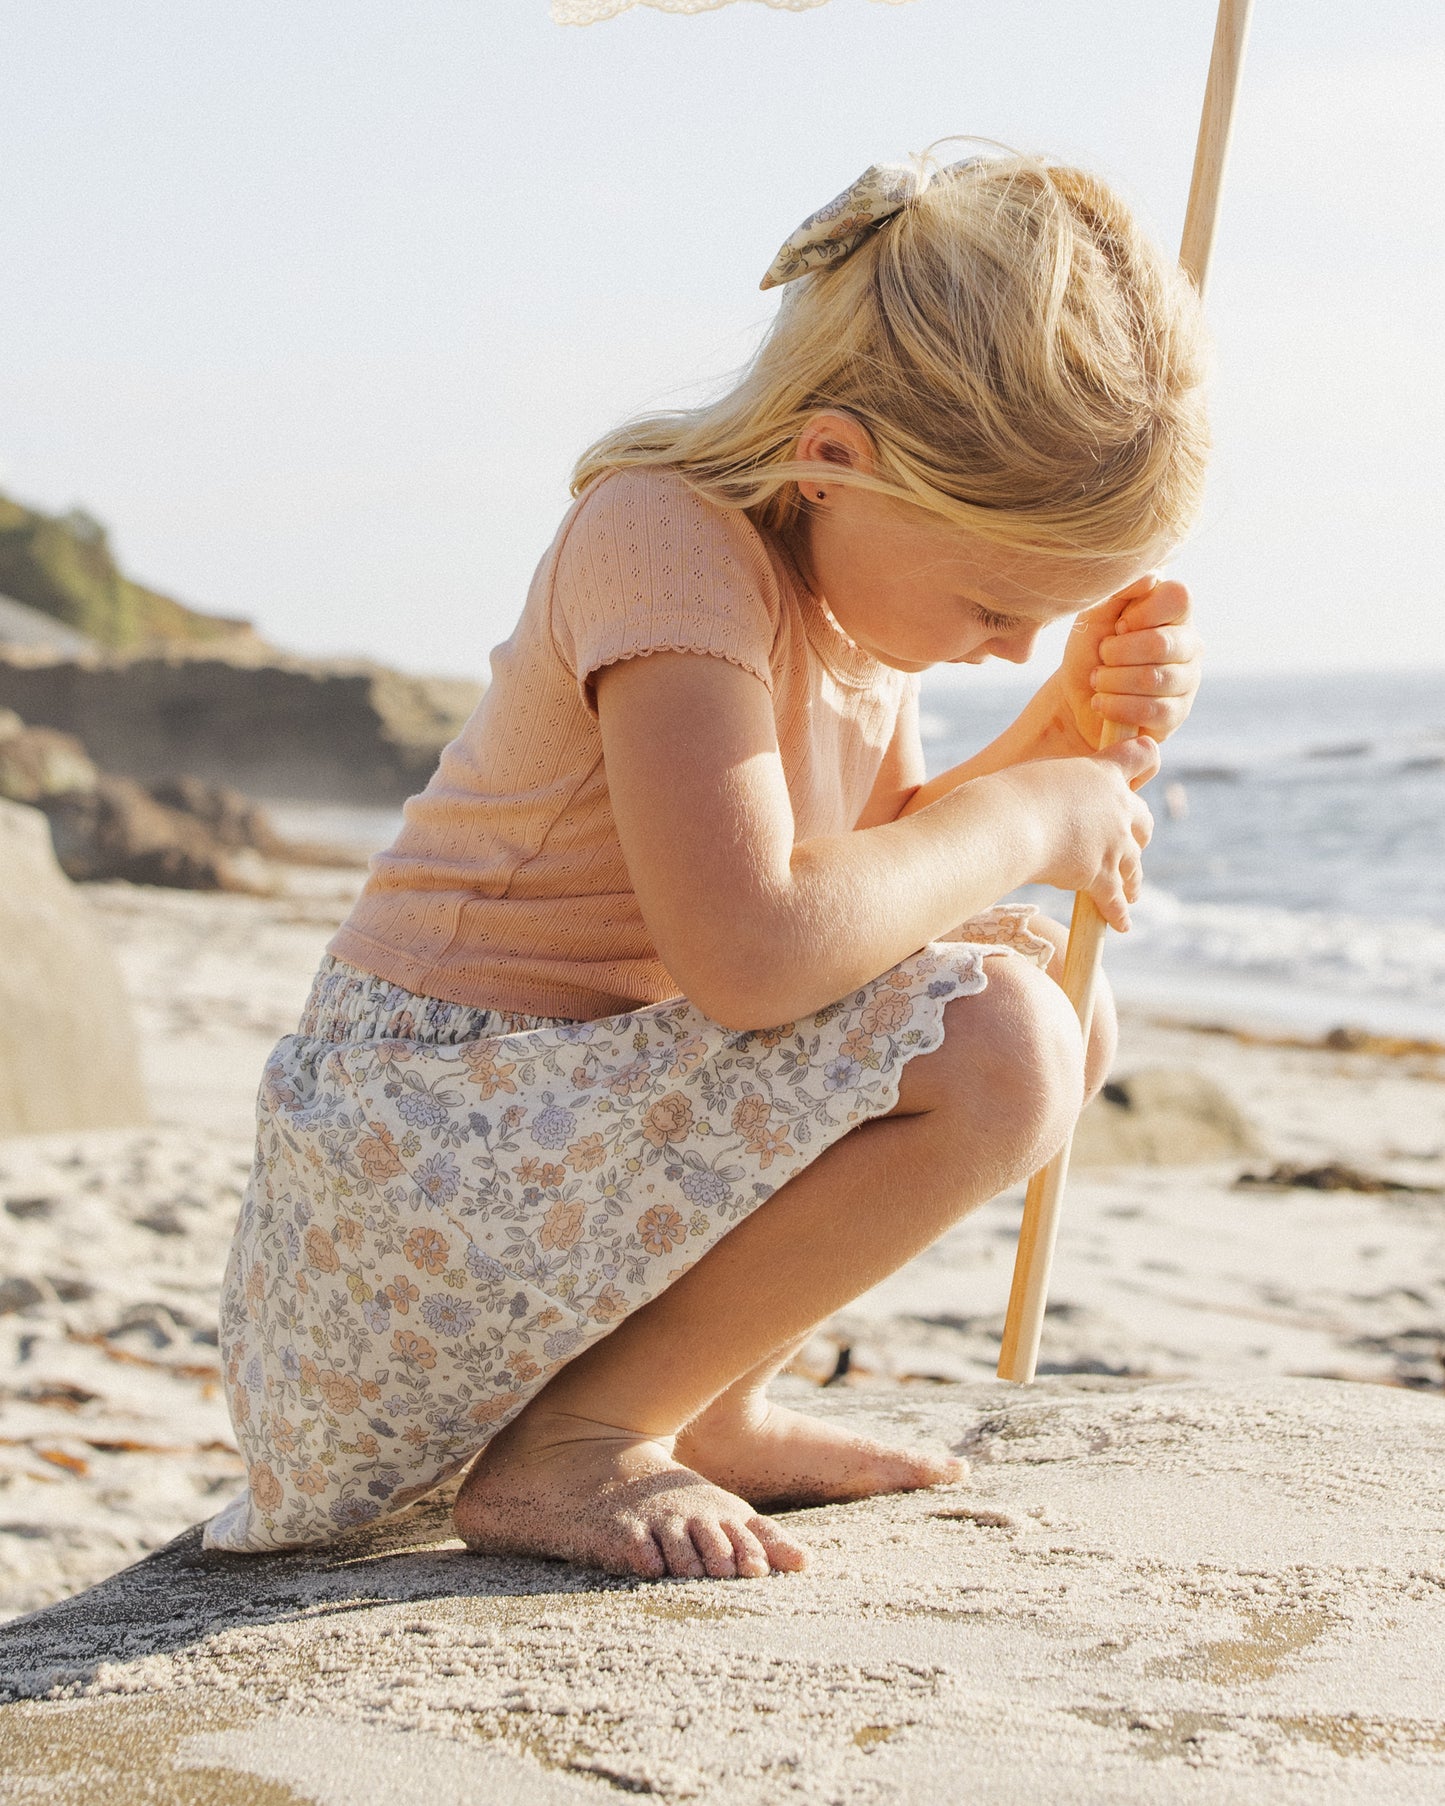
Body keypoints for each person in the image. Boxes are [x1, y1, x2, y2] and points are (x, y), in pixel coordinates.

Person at [206, 147, 1207, 1580]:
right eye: (997, 604)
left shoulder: (850, 601)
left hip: (546, 1164)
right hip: (413, 1172)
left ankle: (701, 1398)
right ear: (835, 461)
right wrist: (1028, 817)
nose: (1010, 647)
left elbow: (863, 894)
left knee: (1051, 993)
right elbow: (754, 954)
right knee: (1001, 1041)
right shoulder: (661, 540)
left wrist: (1059, 732)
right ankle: (582, 1435)